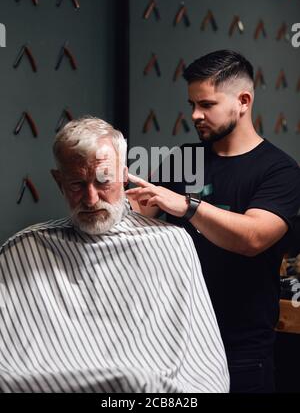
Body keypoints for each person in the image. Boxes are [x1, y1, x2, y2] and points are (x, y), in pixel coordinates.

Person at [0, 117, 229, 393]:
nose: (91, 198)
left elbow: (203, 364)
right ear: (58, 181)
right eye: (76, 184)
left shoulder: (171, 243)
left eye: (103, 181)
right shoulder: (24, 250)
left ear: (123, 175)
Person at [126, 50, 300, 393]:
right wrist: (108, 200)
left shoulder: (280, 170)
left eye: (206, 104)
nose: (195, 115)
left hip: (241, 350)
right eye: (192, 104)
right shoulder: (184, 158)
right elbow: (136, 218)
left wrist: (188, 205)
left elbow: (253, 238)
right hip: (176, 341)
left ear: (243, 101)